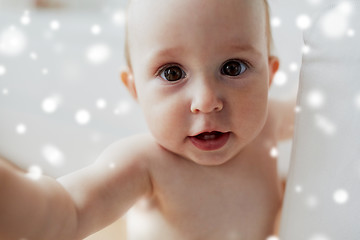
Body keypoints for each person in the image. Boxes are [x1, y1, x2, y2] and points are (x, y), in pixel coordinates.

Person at [0, 0, 296, 239]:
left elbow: (317, 108)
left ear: (269, 76)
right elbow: (71, 212)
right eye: (172, 73)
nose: (206, 101)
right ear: (135, 89)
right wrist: (13, 198)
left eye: (233, 68)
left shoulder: (268, 124)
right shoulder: (145, 164)